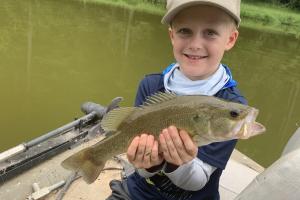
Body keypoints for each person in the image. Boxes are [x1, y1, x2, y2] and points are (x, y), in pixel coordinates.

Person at [107, 0, 246, 199]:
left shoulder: (232, 109)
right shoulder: (150, 85)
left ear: (230, 39)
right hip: (139, 192)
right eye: (185, 31)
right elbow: (141, 170)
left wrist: (178, 163)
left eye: (210, 32)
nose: (195, 44)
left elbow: (197, 181)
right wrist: (148, 162)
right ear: (172, 35)